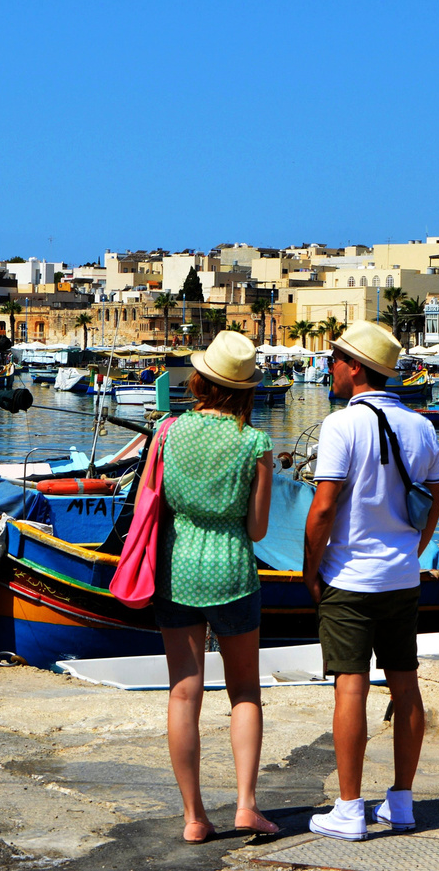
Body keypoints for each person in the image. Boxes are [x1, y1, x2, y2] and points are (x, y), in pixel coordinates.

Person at [303, 321, 439, 841]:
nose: (330, 367)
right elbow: (434, 504)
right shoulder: (421, 426)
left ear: (356, 367)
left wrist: (309, 569)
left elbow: (322, 510)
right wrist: (411, 552)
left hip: (350, 579)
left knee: (351, 687)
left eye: (335, 359)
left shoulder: (342, 425)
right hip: (401, 578)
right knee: (405, 684)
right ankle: (401, 802)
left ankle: (347, 808)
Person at [151, 331, 279, 842]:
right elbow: (257, 529)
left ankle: (194, 818)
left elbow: (149, 507)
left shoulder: (167, 432)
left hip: (176, 567)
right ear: (246, 387)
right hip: (232, 570)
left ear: (201, 380)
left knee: (184, 693)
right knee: (244, 691)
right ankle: (246, 805)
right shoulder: (255, 442)